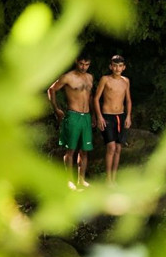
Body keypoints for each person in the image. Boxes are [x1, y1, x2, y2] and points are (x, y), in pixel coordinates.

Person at [47, 55, 95, 190]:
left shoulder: (90, 77)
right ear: (76, 62)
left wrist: (95, 115)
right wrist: (56, 109)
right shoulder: (68, 77)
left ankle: (81, 180)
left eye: (86, 64)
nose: (83, 67)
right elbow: (51, 90)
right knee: (71, 150)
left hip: (86, 116)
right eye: (81, 64)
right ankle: (69, 180)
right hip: (73, 115)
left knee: (84, 150)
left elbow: (90, 96)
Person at [94, 55, 132, 185]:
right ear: (111, 66)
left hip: (120, 116)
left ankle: (114, 179)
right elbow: (96, 99)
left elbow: (128, 100)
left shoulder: (126, 81)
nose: (117, 68)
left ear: (124, 67)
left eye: (120, 66)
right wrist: (99, 117)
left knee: (118, 148)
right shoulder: (105, 79)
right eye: (115, 65)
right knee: (111, 147)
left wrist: (128, 116)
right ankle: (108, 179)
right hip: (107, 115)